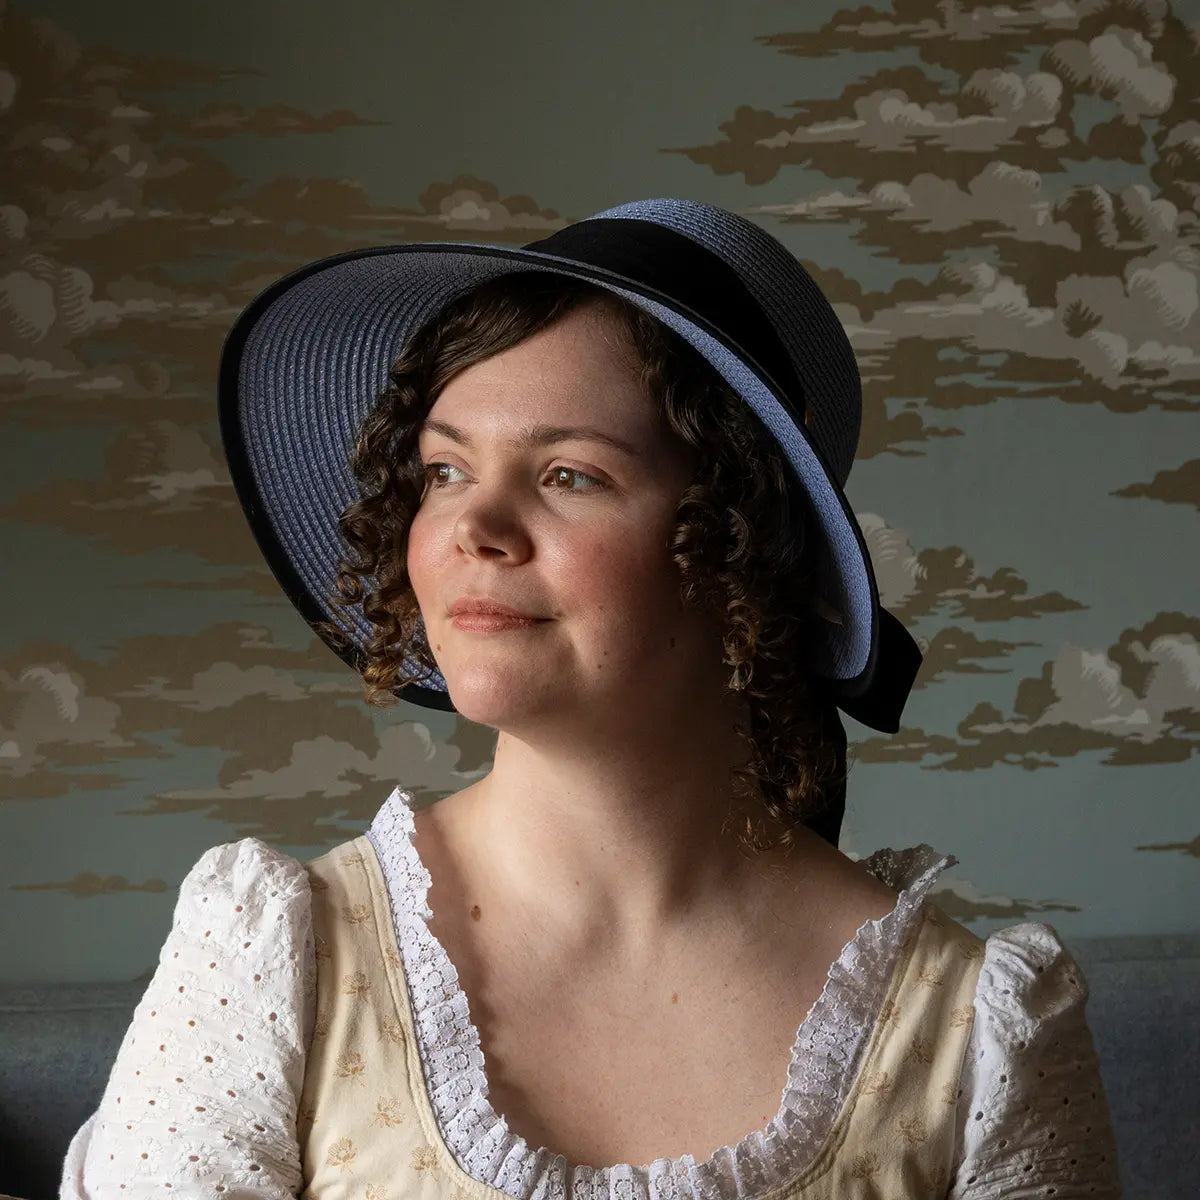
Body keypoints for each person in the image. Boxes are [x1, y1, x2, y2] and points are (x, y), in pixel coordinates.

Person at [60, 199, 1122, 1199]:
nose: (476, 526)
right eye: (442, 471)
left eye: (568, 474)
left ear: (739, 543)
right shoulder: (275, 962)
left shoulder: (977, 1029)